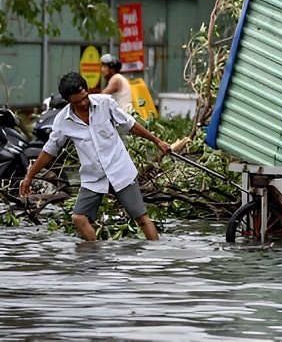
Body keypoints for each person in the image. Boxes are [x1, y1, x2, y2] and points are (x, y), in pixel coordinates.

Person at [20, 72, 170, 241]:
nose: (83, 103)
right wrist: (29, 177)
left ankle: (156, 257)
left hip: (119, 169)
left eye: (85, 97)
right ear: (69, 102)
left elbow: (131, 125)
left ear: (87, 90)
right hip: (93, 177)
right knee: (79, 218)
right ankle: (96, 259)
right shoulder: (63, 121)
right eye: (77, 102)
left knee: (141, 218)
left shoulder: (105, 103)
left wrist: (158, 142)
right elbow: (49, 151)